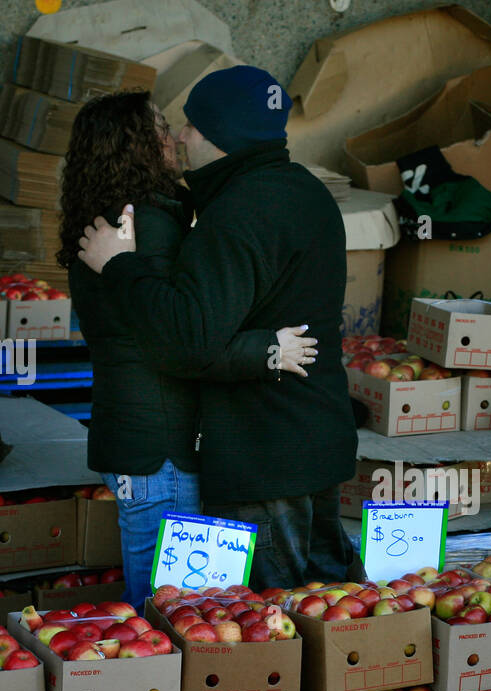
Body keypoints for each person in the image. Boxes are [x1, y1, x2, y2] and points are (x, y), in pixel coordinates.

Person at [76, 66, 363, 593]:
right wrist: (266, 350)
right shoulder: (304, 192)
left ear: (223, 136)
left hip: (265, 457)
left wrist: (119, 265)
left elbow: (185, 340)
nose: (183, 138)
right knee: (326, 616)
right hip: (315, 444)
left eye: (192, 127)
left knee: (273, 628)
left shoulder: (238, 211)